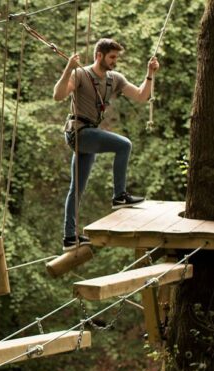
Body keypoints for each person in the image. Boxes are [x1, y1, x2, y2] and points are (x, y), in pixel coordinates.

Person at [53, 38, 160, 252]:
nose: (115, 62)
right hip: (78, 132)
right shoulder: (81, 74)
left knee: (77, 189)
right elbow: (58, 95)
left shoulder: (114, 79)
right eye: (112, 57)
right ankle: (119, 196)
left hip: (89, 135)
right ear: (99, 55)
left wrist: (150, 74)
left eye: (116, 58)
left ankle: (69, 237)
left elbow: (141, 95)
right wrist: (68, 69)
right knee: (124, 145)